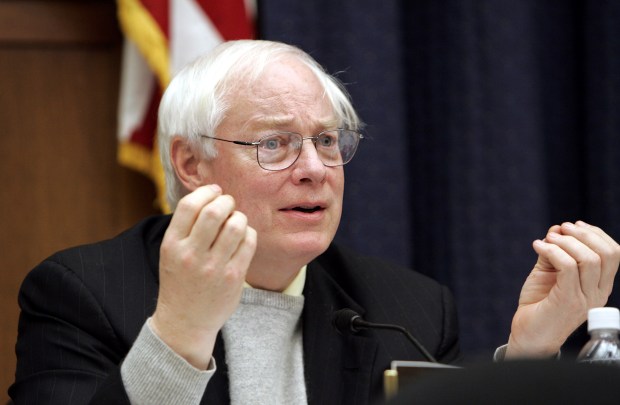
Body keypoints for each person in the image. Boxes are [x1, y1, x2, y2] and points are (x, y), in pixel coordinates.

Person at [9, 40, 620, 404]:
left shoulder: (408, 308)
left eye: (327, 141)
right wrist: (178, 335)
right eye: (274, 143)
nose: (314, 169)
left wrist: (532, 355)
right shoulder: (81, 292)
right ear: (191, 162)